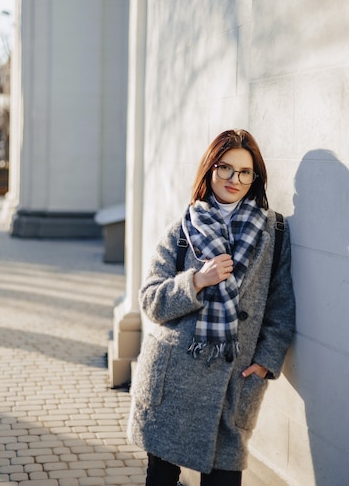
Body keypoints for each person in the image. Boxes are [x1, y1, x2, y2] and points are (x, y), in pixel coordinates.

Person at [127, 129, 296, 486]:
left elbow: (281, 306)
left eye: (245, 172)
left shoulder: (274, 232)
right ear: (210, 170)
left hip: (234, 385)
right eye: (225, 168)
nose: (234, 179)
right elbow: (150, 300)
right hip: (173, 384)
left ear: (256, 177)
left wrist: (266, 362)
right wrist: (195, 281)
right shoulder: (183, 230)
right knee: (160, 478)